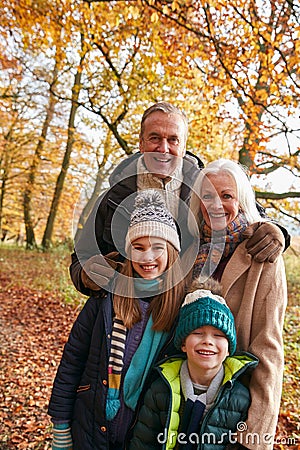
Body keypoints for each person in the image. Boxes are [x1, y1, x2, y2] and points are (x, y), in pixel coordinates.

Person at [69, 102, 289, 296]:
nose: (163, 149)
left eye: (173, 140)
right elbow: (81, 258)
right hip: (124, 316)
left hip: (184, 317)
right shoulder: (112, 198)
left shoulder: (207, 186)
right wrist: (88, 275)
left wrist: (278, 232)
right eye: (154, 138)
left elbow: (251, 213)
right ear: (141, 142)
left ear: (184, 146)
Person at [48, 190, 186, 450]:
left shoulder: (178, 309)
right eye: (139, 247)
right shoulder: (105, 300)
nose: (147, 257)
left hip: (142, 432)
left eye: (158, 247)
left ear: (172, 253)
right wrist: (61, 425)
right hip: (91, 423)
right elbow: (72, 360)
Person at [189, 159, 287, 450]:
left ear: (241, 200)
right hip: (177, 396)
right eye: (207, 196)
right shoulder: (186, 249)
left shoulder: (263, 255)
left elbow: (268, 348)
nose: (216, 204)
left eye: (227, 196)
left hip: (233, 406)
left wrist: (255, 437)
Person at [129, 279, 259, 450]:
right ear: (183, 344)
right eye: (198, 333)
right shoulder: (160, 389)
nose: (207, 341)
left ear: (229, 349)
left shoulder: (239, 398)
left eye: (218, 335)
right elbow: (143, 443)